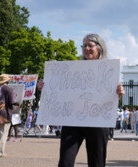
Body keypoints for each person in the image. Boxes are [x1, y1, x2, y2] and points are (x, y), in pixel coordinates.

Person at [37, 33, 125, 167]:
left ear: (99, 48)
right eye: (84, 45)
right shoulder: (73, 69)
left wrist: (118, 93)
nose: (86, 48)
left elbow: (110, 97)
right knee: (65, 162)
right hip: (72, 120)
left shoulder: (109, 69)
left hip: (98, 121)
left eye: (90, 45)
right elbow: (60, 90)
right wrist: (45, 87)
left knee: (96, 162)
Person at [0, 74, 20, 157]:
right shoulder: (9, 90)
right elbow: (12, 101)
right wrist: (19, 104)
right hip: (4, 115)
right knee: (2, 133)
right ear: (7, 81)